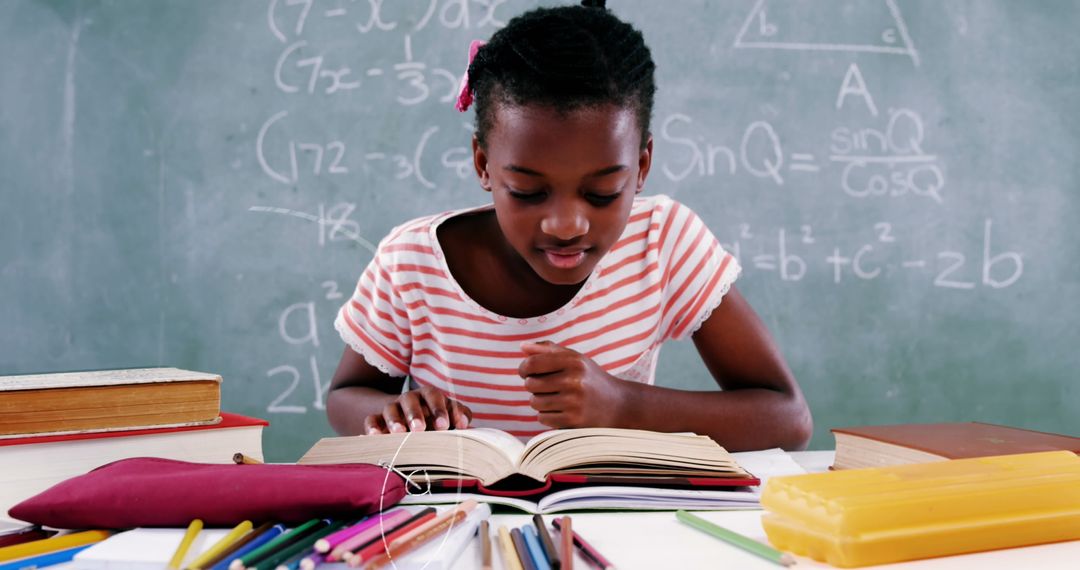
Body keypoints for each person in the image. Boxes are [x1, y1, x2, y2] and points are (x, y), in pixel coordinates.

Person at [327, 0, 812, 451]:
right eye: (527, 192)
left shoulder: (663, 240)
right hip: (453, 523)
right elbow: (347, 394)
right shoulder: (410, 264)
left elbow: (788, 419)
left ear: (641, 167)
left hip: (611, 522)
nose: (566, 225)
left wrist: (623, 405)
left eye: (602, 194)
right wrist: (391, 414)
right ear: (483, 164)